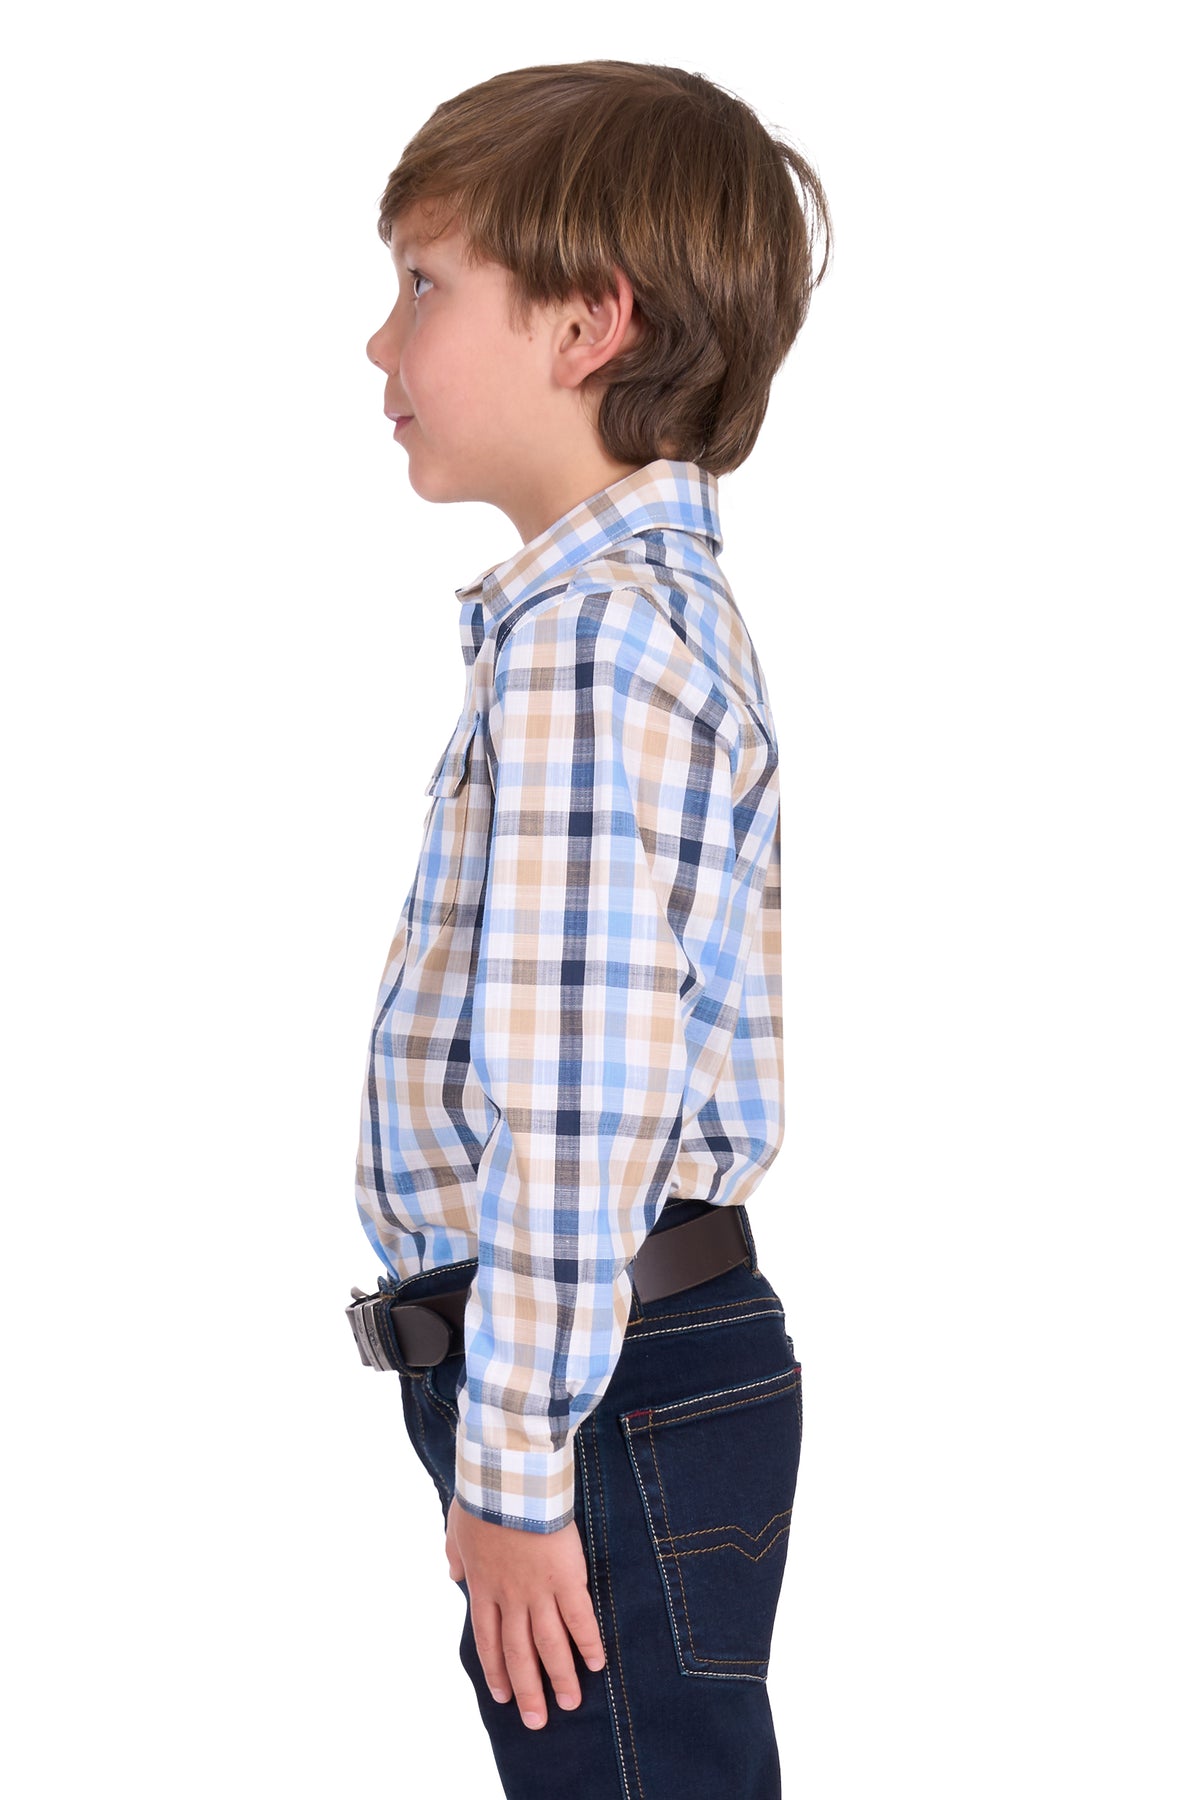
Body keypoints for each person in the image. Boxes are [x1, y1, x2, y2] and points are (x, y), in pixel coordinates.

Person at [347, 59, 832, 1800]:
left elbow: (578, 1094)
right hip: (616, 1364)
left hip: (591, 1383)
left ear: (585, 324)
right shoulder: (638, 619)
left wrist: (515, 1456)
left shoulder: (588, 647)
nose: (382, 347)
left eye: (423, 284)